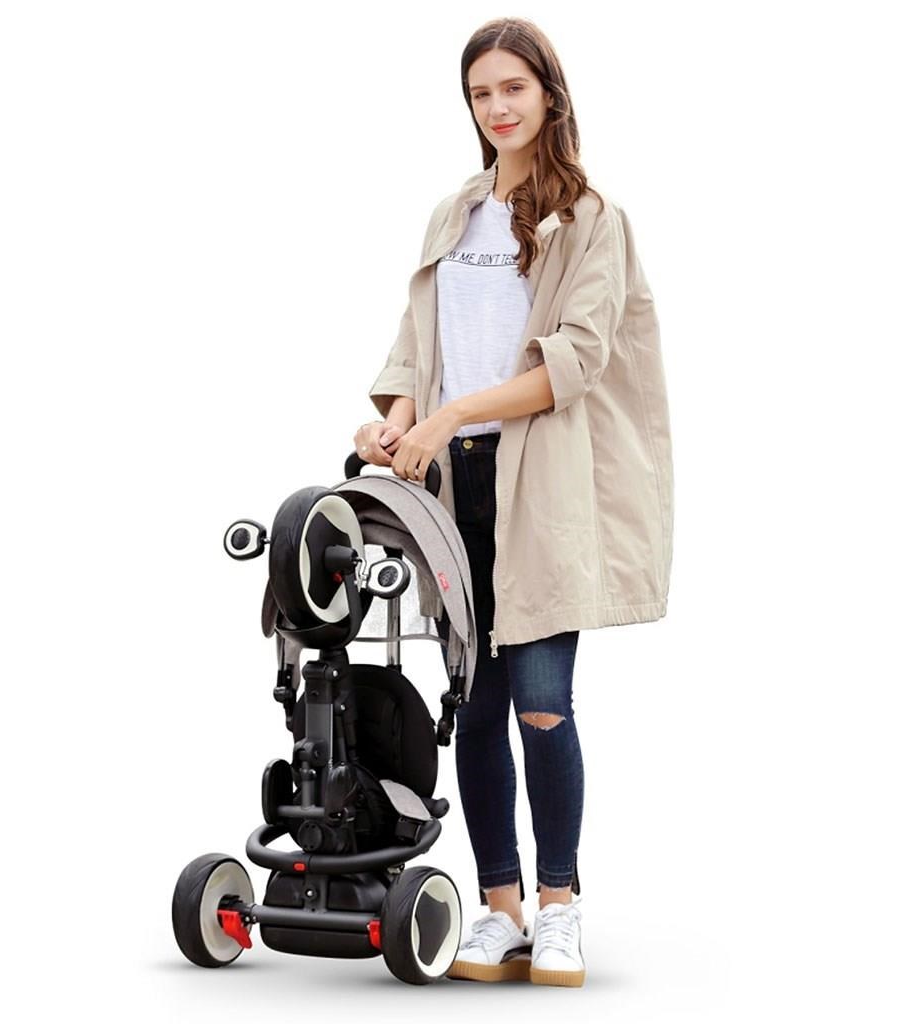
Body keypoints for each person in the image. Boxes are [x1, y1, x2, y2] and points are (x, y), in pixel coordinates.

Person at [354, 17, 673, 988]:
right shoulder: (454, 215)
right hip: (452, 488)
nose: (497, 107)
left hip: (538, 482)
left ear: (549, 96)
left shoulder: (591, 220)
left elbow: (573, 363)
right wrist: (395, 421)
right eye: (480, 93)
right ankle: (501, 909)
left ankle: (560, 905)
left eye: (512, 89)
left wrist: (452, 412)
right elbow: (416, 345)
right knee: (477, 703)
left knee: (540, 702)